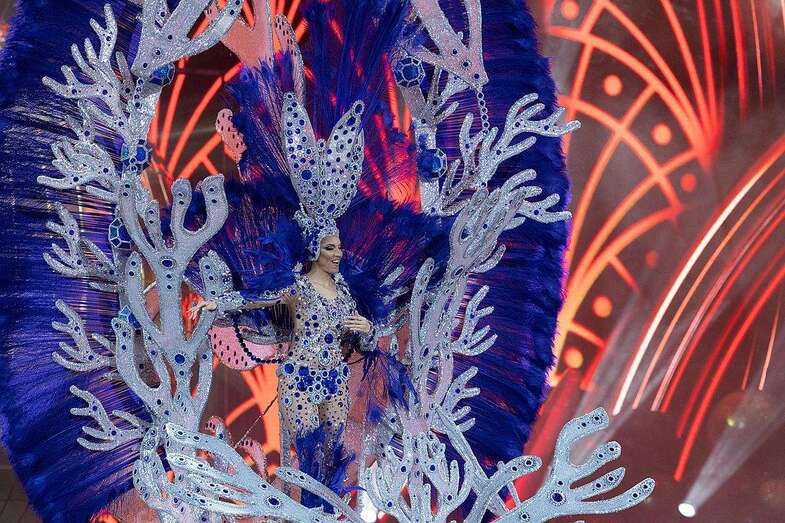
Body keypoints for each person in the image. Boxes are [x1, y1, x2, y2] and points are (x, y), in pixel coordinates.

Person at [189, 234, 375, 440]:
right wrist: (219, 303)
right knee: (308, 449)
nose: (338, 254)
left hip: (336, 382)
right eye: (330, 248)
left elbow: (363, 344)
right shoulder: (299, 288)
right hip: (299, 381)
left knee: (333, 451)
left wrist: (368, 329)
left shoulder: (344, 295)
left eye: (339, 247)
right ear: (314, 251)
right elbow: (258, 298)